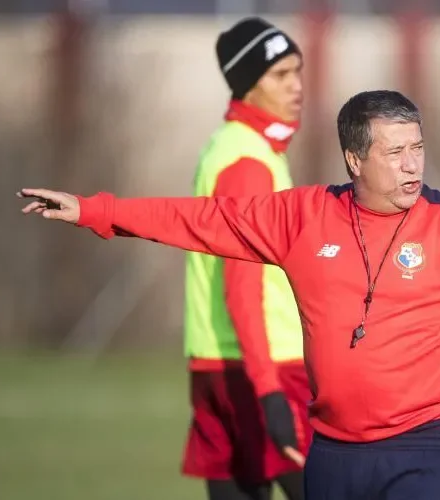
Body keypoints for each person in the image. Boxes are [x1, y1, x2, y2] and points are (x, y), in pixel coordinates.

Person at [18, 89, 440, 500]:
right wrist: (96, 211)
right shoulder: (304, 217)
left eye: (418, 148)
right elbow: (203, 220)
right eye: (395, 152)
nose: (413, 164)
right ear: (355, 160)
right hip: (332, 453)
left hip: (429, 447)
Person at [180, 16, 308, 500]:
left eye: (298, 71)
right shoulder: (249, 163)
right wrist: (269, 390)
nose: (297, 86)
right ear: (246, 83)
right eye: (280, 75)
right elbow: (243, 283)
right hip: (262, 366)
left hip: (215, 364)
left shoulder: (228, 145)